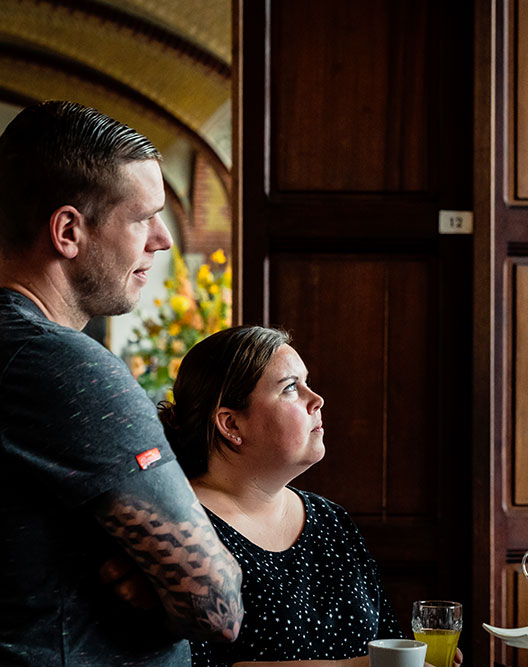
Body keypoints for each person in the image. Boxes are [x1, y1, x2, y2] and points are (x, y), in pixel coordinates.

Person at [0, 101, 244, 665]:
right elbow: (216, 604)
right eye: (143, 217)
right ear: (68, 231)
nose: (162, 239)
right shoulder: (62, 366)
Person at [158, 326, 405, 667]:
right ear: (231, 425)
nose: (317, 399)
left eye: (306, 382)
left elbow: (389, 638)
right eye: (290, 387)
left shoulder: (332, 520)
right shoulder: (181, 529)